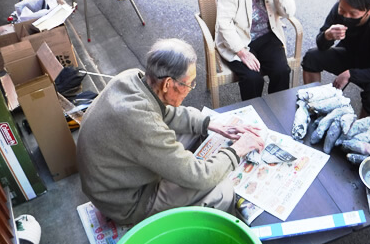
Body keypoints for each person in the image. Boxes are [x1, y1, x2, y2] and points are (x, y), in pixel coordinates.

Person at [77, 39, 265, 225]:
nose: (191, 89)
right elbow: (200, 176)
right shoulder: (141, 123)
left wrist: (210, 123)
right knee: (222, 192)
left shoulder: (132, 78)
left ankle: (181, 167)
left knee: (198, 129)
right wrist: (238, 149)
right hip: (126, 202)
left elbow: (165, 113)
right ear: (168, 84)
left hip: (112, 175)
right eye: (190, 84)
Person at [215, 0, 296, 100]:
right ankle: (253, 119)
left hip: (267, 35)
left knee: (282, 71)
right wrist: (242, 52)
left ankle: (277, 113)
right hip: (238, 38)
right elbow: (224, 22)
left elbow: (289, 13)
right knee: (253, 78)